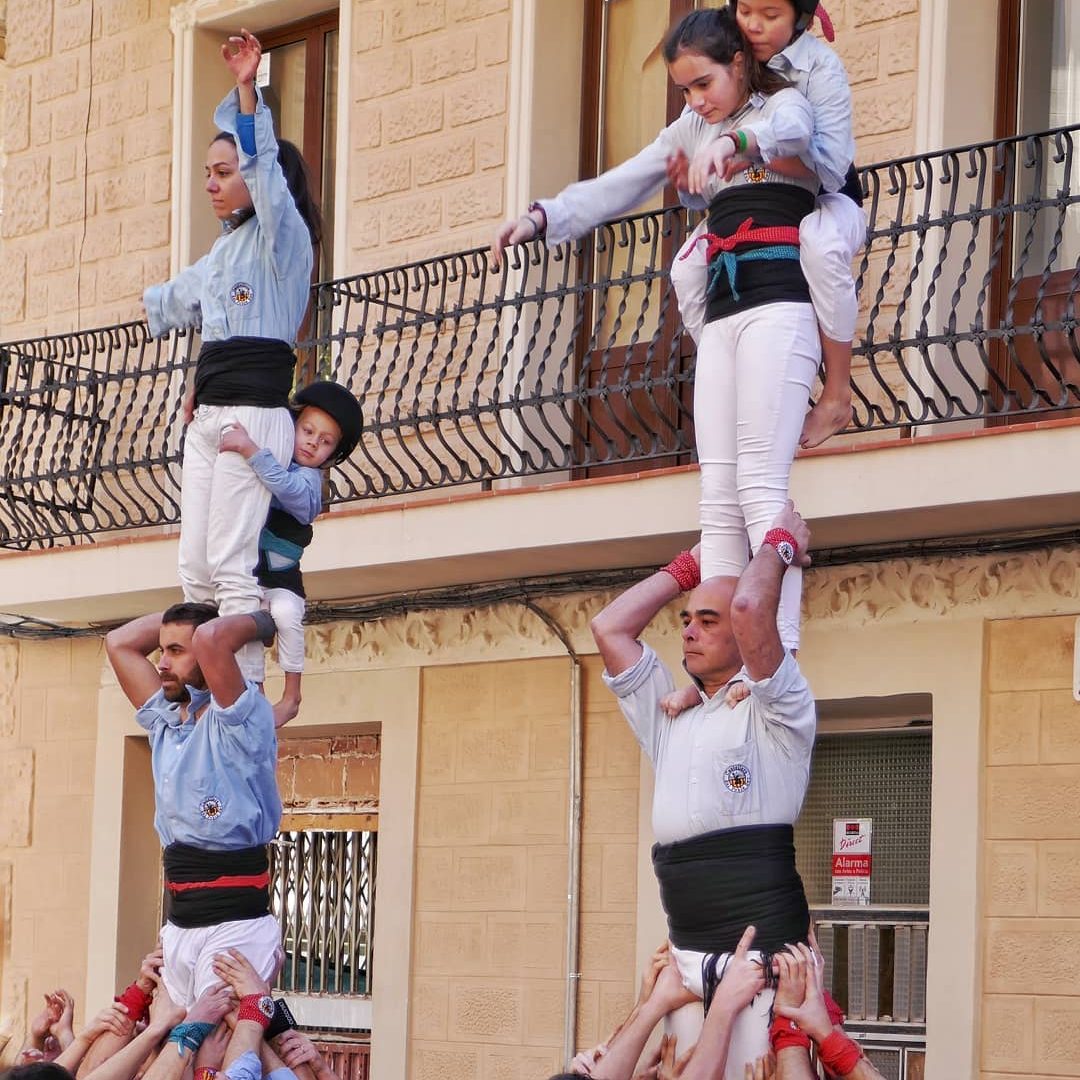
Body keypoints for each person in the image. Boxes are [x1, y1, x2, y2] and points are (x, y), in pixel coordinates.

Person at [496, 9, 818, 656]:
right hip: (725, 315)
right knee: (718, 495)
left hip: (778, 309)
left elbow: (793, 132)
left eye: (703, 84)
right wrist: (544, 216)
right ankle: (730, 662)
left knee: (760, 485)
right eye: (685, 91)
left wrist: (731, 146)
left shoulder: (782, 104)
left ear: (738, 64)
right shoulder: (693, 129)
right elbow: (624, 182)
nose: (695, 101)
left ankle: (779, 649)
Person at [590, 500, 816, 1080]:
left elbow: (749, 604)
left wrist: (779, 545)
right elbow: (609, 628)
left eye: (707, 621)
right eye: (687, 619)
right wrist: (688, 568)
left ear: (745, 635)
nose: (689, 630)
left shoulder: (778, 712)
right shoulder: (671, 715)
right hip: (688, 962)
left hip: (763, 965)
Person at [143, 28, 321, 687]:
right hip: (209, 414)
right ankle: (205, 685)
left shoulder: (283, 240)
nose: (213, 186)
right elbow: (173, 300)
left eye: (224, 174)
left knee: (230, 562)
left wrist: (247, 91)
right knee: (193, 566)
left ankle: (239, 692)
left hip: (253, 413)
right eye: (209, 176)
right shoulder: (222, 255)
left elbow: (265, 173)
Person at [669, 0, 864, 450]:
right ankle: (738, 372)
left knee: (820, 245)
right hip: (755, 204)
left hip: (826, 199)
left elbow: (831, 169)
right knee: (687, 268)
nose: (754, 26)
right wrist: (689, 177)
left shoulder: (820, 69)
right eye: (746, 11)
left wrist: (751, 149)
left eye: (770, 15)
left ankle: (836, 393)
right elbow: (697, 172)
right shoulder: (720, 57)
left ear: (800, 17)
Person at [105, 604, 283, 1007]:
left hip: (234, 920)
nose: (162, 663)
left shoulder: (237, 719)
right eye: (162, 650)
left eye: (175, 651)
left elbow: (212, 638)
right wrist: (188, 606)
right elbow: (119, 643)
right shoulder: (165, 720)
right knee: (176, 1047)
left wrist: (259, 621)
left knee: (219, 1041)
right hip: (181, 920)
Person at [218, 381, 363, 725]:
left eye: (325, 441)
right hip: (250, 576)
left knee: (285, 614)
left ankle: (292, 693)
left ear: (332, 452)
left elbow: (288, 490)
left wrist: (252, 451)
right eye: (308, 431)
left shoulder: (309, 481)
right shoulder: (273, 462)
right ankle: (255, 692)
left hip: (281, 581)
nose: (313, 442)